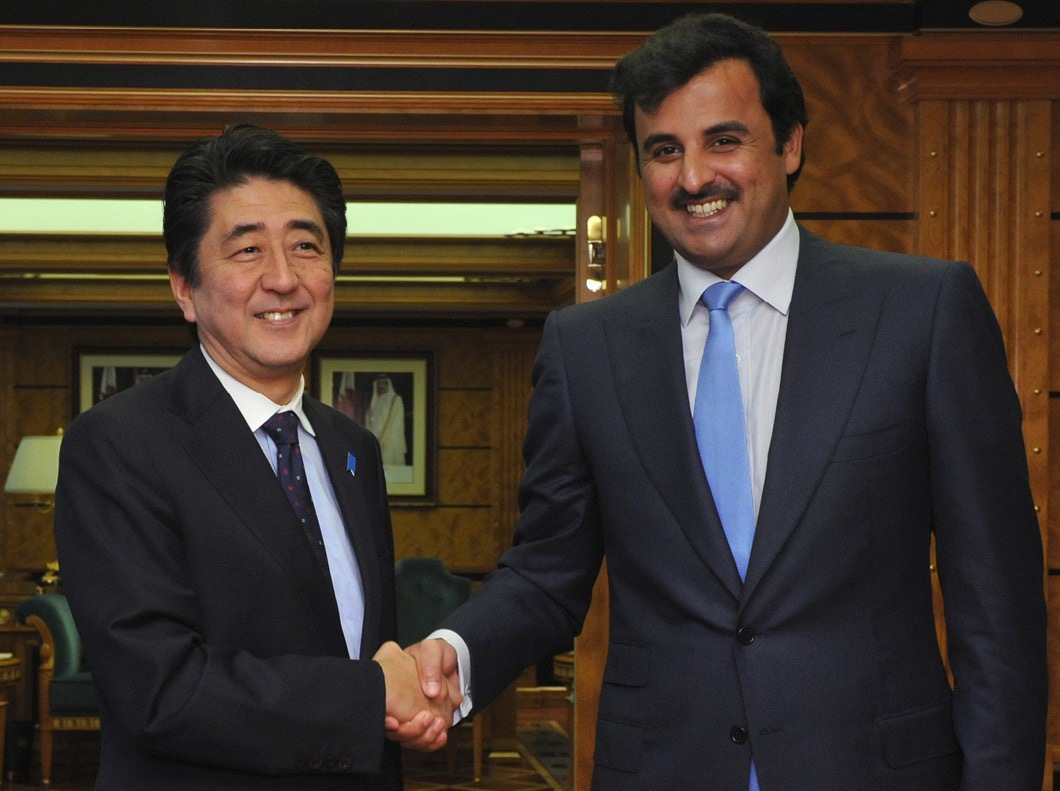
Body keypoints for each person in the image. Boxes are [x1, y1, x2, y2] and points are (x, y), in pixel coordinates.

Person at [395, 12, 1047, 789]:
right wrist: (454, 653)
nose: (694, 177)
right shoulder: (585, 346)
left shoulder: (923, 313)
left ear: (790, 144)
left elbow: (996, 603)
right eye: (664, 150)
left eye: (723, 140)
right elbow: (546, 572)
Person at [54, 124, 453, 790]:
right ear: (184, 287)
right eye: (247, 250)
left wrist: (401, 696)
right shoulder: (119, 443)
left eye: (305, 246)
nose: (283, 278)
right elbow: (159, 689)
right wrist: (371, 694)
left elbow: (358, 647)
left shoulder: (352, 448)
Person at [366, 376, 408, 467]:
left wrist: (381, 441)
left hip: (391, 443)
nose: (381, 386)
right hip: (377, 443)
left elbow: (393, 423)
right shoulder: (375, 401)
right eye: (379, 384)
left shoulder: (396, 400)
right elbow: (369, 421)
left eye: (384, 384)